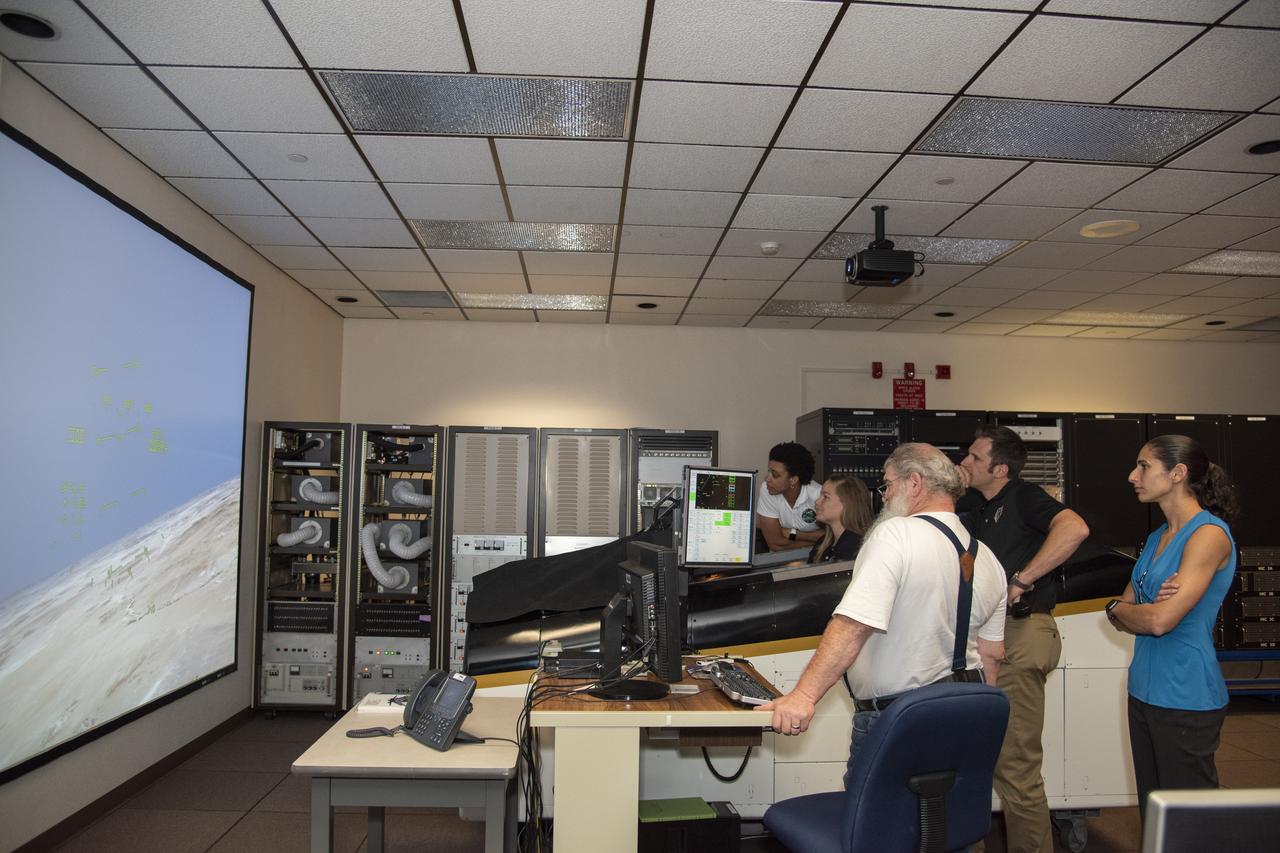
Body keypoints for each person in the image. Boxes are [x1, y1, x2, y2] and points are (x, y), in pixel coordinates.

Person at [761, 443, 1007, 783]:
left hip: (899, 720)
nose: (885, 496)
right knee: (940, 823)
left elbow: (853, 624)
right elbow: (992, 655)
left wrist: (803, 697)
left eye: (888, 485)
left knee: (875, 827)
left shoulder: (896, 534)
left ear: (915, 483)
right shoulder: (989, 559)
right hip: (966, 715)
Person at [957, 425, 1089, 853]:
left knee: (1015, 766)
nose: (966, 463)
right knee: (973, 760)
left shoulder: (1023, 497)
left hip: (1020, 632)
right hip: (986, 640)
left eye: (975, 458)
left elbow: (1074, 529)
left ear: (1000, 468)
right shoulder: (979, 507)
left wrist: (1024, 578)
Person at [1105, 435, 1238, 821]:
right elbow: (1120, 610)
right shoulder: (1155, 539)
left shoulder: (1208, 535)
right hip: (1144, 691)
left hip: (1186, 695)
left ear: (1178, 473)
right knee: (1155, 813)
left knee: (1189, 822)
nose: (1133, 476)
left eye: (1144, 466)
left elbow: (1160, 621)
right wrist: (1123, 608)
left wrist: (1132, 610)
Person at [757, 442, 822, 552]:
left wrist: (794, 534)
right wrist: (816, 540)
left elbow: (833, 536)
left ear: (793, 480)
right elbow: (775, 544)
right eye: (769, 471)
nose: (767, 479)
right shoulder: (767, 489)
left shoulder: (818, 495)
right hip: (779, 559)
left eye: (775, 475)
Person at [809, 474, 873, 564]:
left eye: (826, 497)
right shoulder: (824, 542)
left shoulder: (854, 547)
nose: (817, 502)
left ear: (847, 504)